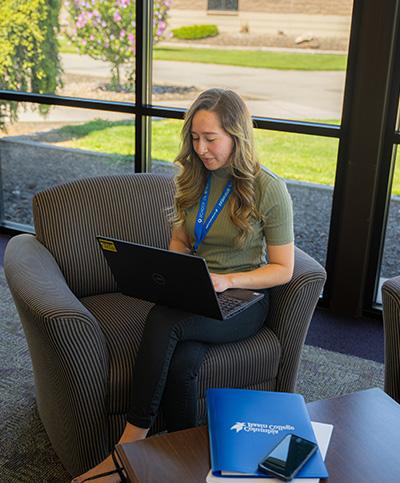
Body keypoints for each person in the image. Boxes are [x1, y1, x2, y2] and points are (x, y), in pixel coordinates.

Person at [73, 88, 294, 482]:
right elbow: (180, 242)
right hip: (197, 291)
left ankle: (127, 447)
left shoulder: (267, 188)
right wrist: (172, 273)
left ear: (237, 137)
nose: (201, 148)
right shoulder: (192, 180)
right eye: (195, 138)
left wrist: (228, 280)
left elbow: (283, 269)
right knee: (184, 362)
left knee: (164, 322)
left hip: (245, 299)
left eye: (211, 139)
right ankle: (180, 454)